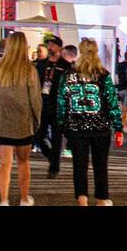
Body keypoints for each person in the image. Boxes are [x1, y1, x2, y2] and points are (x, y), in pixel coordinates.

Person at [58, 38, 123, 206]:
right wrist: (118, 127)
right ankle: (101, 200)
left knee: (79, 166)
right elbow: (112, 103)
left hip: (76, 126)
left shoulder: (68, 75)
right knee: (100, 165)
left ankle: (82, 200)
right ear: (96, 52)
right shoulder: (103, 75)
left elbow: (61, 102)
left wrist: (62, 124)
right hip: (100, 126)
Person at [0, 31, 42, 206]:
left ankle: (4, 200)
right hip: (23, 122)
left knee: (5, 164)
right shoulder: (30, 69)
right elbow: (36, 100)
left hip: (2, 120)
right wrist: (37, 120)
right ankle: (24, 199)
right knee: (23, 162)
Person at [33, 35, 70, 176]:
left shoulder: (65, 66)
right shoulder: (41, 65)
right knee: (39, 135)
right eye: (48, 45)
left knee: (56, 138)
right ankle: (52, 158)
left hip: (58, 106)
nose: (49, 47)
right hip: (42, 105)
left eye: (52, 45)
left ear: (59, 47)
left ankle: (54, 167)